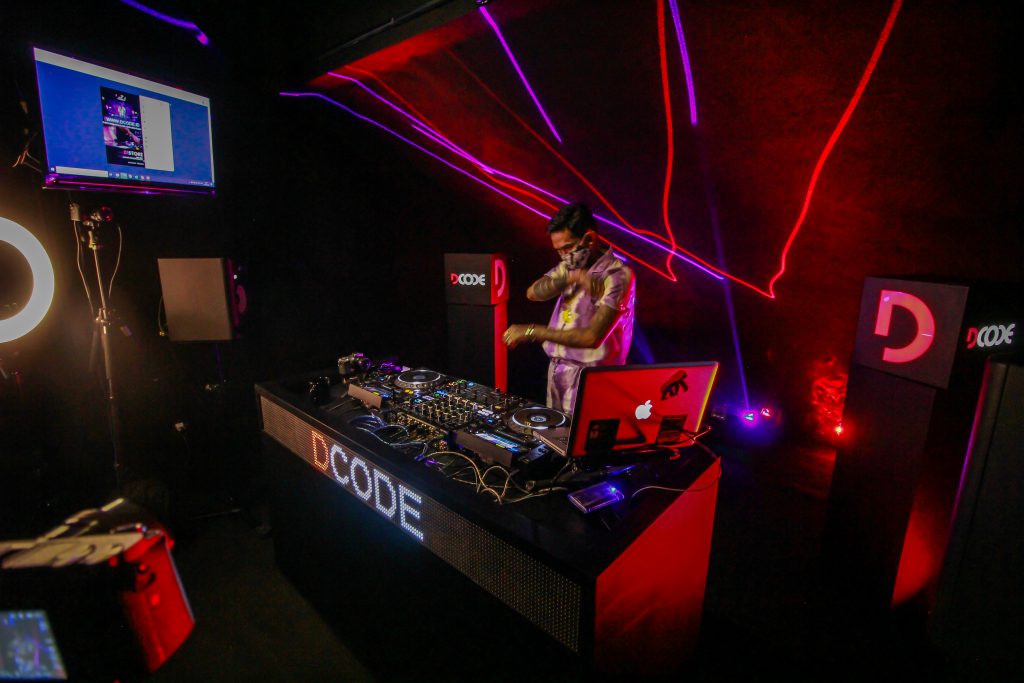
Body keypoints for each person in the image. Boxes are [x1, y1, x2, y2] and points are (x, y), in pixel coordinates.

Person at [503, 203, 635, 413]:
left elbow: (592, 338)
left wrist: (532, 331)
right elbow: (533, 293)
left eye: (567, 248)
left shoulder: (617, 275)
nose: (563, 255)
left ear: (589, 239)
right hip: (558, 371)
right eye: (558, 251)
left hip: (592, 379)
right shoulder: (570, 266)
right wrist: (570, 277)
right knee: (556, 432)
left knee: (579, 433)